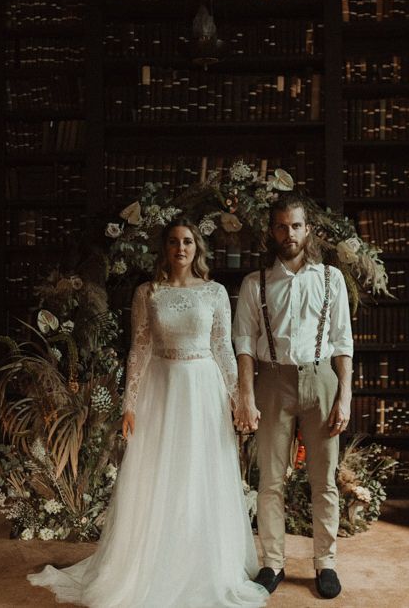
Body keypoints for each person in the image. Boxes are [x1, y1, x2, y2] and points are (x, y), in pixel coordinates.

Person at [28, 217, 268, 608]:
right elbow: (138, 349)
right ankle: (153, 561)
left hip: (203, 388)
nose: (181, 248)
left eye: (188, 241)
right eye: (173, 241)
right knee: (160, 472)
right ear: (165, 248)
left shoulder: (215, 293)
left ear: (198, 248)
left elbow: (223, 348)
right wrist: (129, 404)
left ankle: (204, 562)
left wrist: (237, 398)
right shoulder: (148, 293)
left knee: (202, 472)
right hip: (162, 387)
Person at [232, 195, 353, 600]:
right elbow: (244, 343)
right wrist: (246, 395)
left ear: (309, 230)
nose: (289, 234)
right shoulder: (255, 283)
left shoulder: (332, 280)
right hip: (272, 381)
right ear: (272, 231)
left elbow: (342, 343)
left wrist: (345, 396)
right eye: (281, 226)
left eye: (296, 226)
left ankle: (326, 563)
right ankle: (272, 563)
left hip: (322, 381)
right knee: (270, 480)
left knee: (325, 481)